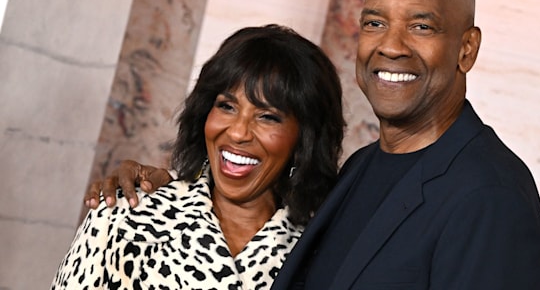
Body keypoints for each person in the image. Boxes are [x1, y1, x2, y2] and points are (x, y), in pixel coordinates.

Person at [87, 0, 540, 289]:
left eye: (421, 25)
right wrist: (171, 187)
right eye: (374, 23)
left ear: (467, 49)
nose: (390, 45)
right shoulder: (360, 169)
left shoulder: (490, 198)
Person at [51, 24, 345, 289]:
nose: (238, 132)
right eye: (227, 106)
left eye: (267, 116)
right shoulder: (126, 216)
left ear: (304, 139)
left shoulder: (318, 255)